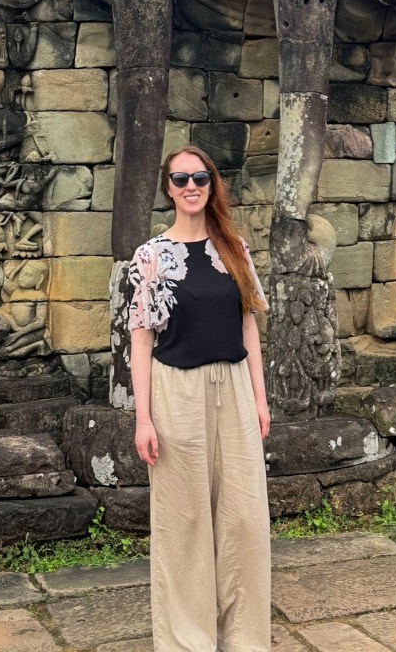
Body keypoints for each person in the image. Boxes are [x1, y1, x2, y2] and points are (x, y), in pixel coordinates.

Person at [128, 144, 271, 652]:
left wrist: (259, 396)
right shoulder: (149, 257)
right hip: (176, 393)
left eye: (201, 177)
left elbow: (248, 322)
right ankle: (189, 642)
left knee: (244, 518)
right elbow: (141, 339)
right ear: (168, 188)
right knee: (184, 521)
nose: (192, 186)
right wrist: (143, 418)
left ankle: (245, 640)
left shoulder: (234, 248)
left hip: (233, 388)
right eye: (181, 178)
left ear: (213, 184)